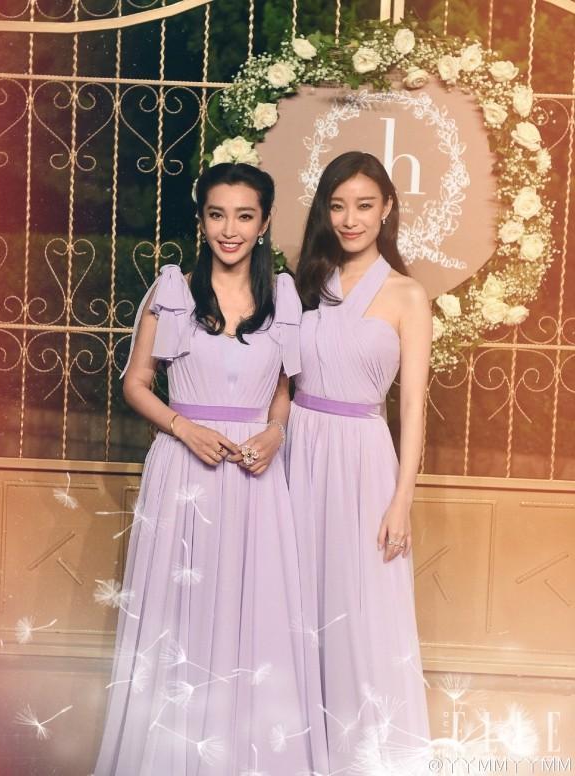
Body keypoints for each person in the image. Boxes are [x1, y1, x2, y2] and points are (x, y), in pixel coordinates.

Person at [93, 162, 317, 775]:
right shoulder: (173, 291)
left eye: (245, 216)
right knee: (180, 614)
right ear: (201, 221)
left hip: (255, 477)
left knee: (253, 615)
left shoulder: (284, 298)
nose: (230, 229)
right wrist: (184, 428)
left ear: (265, 223)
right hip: (184, 471)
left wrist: (275, 433)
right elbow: (135, 383)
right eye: (217, 215)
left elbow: (283, 393)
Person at [287, 151, 432, 772]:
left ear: (387, 208)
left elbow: (413, 408)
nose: (350, 219)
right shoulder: (303, 284)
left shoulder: (407, 294)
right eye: (338, 205)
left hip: (366, 460)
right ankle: (297, 752)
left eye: (365, 205)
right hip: (297, 452)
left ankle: (363, 757)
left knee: (362, 609)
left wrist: (402, 500)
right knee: (296, 601)